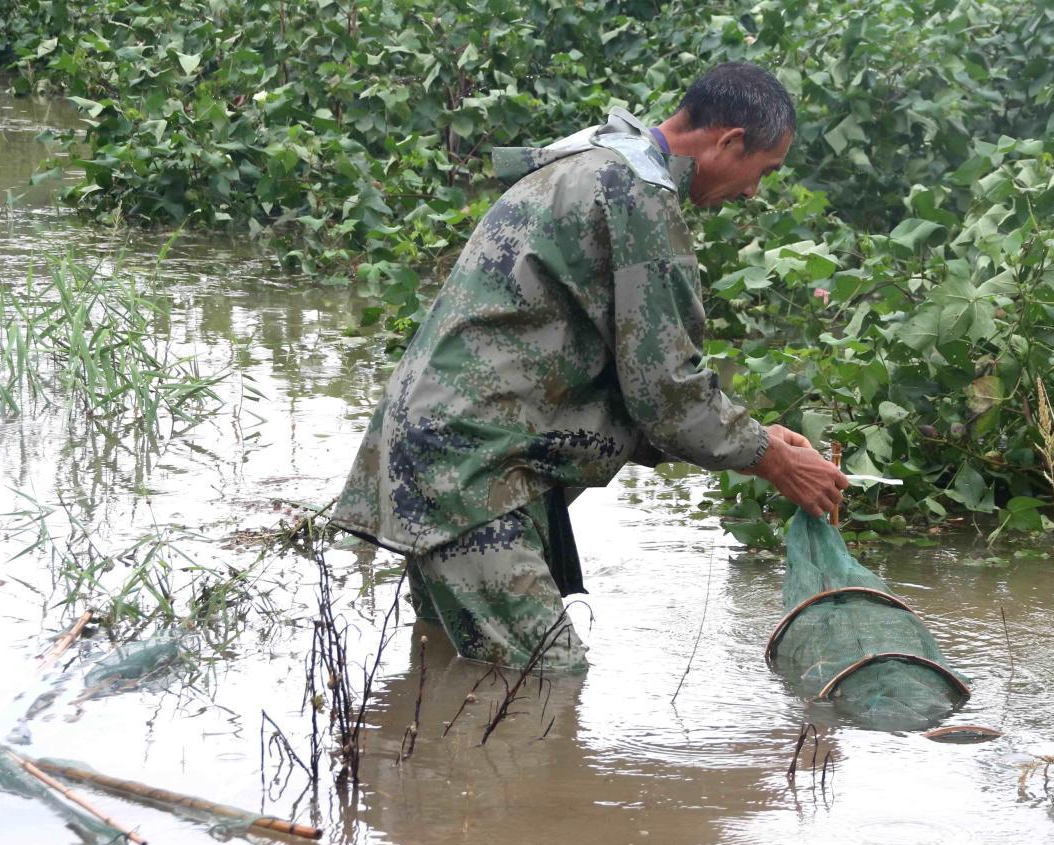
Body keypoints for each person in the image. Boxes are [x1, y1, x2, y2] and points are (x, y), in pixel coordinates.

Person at [330, 62, 848, 669]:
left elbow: (625, 375)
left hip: (448, 448)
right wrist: (774, 460)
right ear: (730, 141)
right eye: (763, 171)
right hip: (470, 469)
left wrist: (759, 440)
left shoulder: (591, 161)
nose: (754, 191)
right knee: (545, 681)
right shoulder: (639, 197)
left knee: (453, 670)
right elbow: (667, 395)